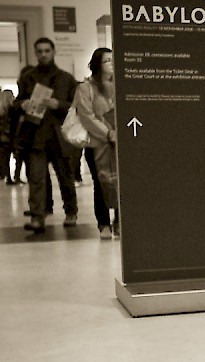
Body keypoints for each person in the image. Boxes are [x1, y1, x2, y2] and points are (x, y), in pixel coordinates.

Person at [15, 37, 78, 233]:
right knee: (36, 178)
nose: (43, 54)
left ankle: (71, 212)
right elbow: (17, 102)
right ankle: (37, 217)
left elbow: (77, 107)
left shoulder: (66, 78)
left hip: (60, 136)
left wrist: (59, 105)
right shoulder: (27, 78)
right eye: (39, 51)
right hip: (35, 136)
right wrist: (22, 105)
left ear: (53, 52)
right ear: (35, 53)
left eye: (47, 51)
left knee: (65, 177)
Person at [74, 47, 119, 239]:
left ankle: (119, 220)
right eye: (107, 60)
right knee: (101, 182)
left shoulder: (120, 85)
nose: (111, 64)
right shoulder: (85, 88)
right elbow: (86, 116)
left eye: (112, 60)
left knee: (120, 183)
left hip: (119, 144)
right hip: (97, 144)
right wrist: (108, 132)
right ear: (97, 64)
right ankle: (103, 223)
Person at [0, 90, 14, 182]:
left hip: (1, 136)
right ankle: (8, 177)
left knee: (2, 157)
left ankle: (3, 175)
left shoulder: (1, 109)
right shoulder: (11, 109)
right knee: (6, 158)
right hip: (7, 136)